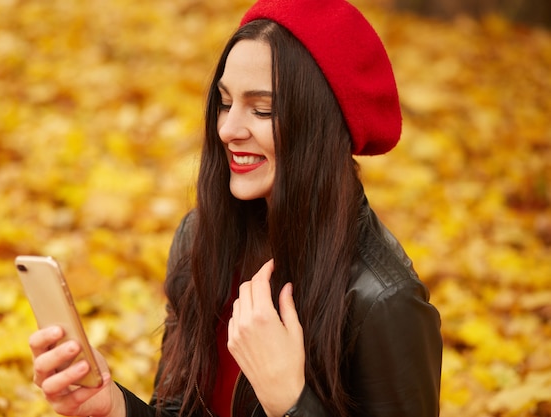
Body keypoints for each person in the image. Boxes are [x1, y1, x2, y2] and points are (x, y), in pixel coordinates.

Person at [28, 0, 443, 416]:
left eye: (262, 109)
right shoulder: (200, 239)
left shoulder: (384, 301)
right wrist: (111, 406)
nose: (227, 129)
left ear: (322, 126)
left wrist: (289, 400)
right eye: (225, 103)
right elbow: (177, 408)